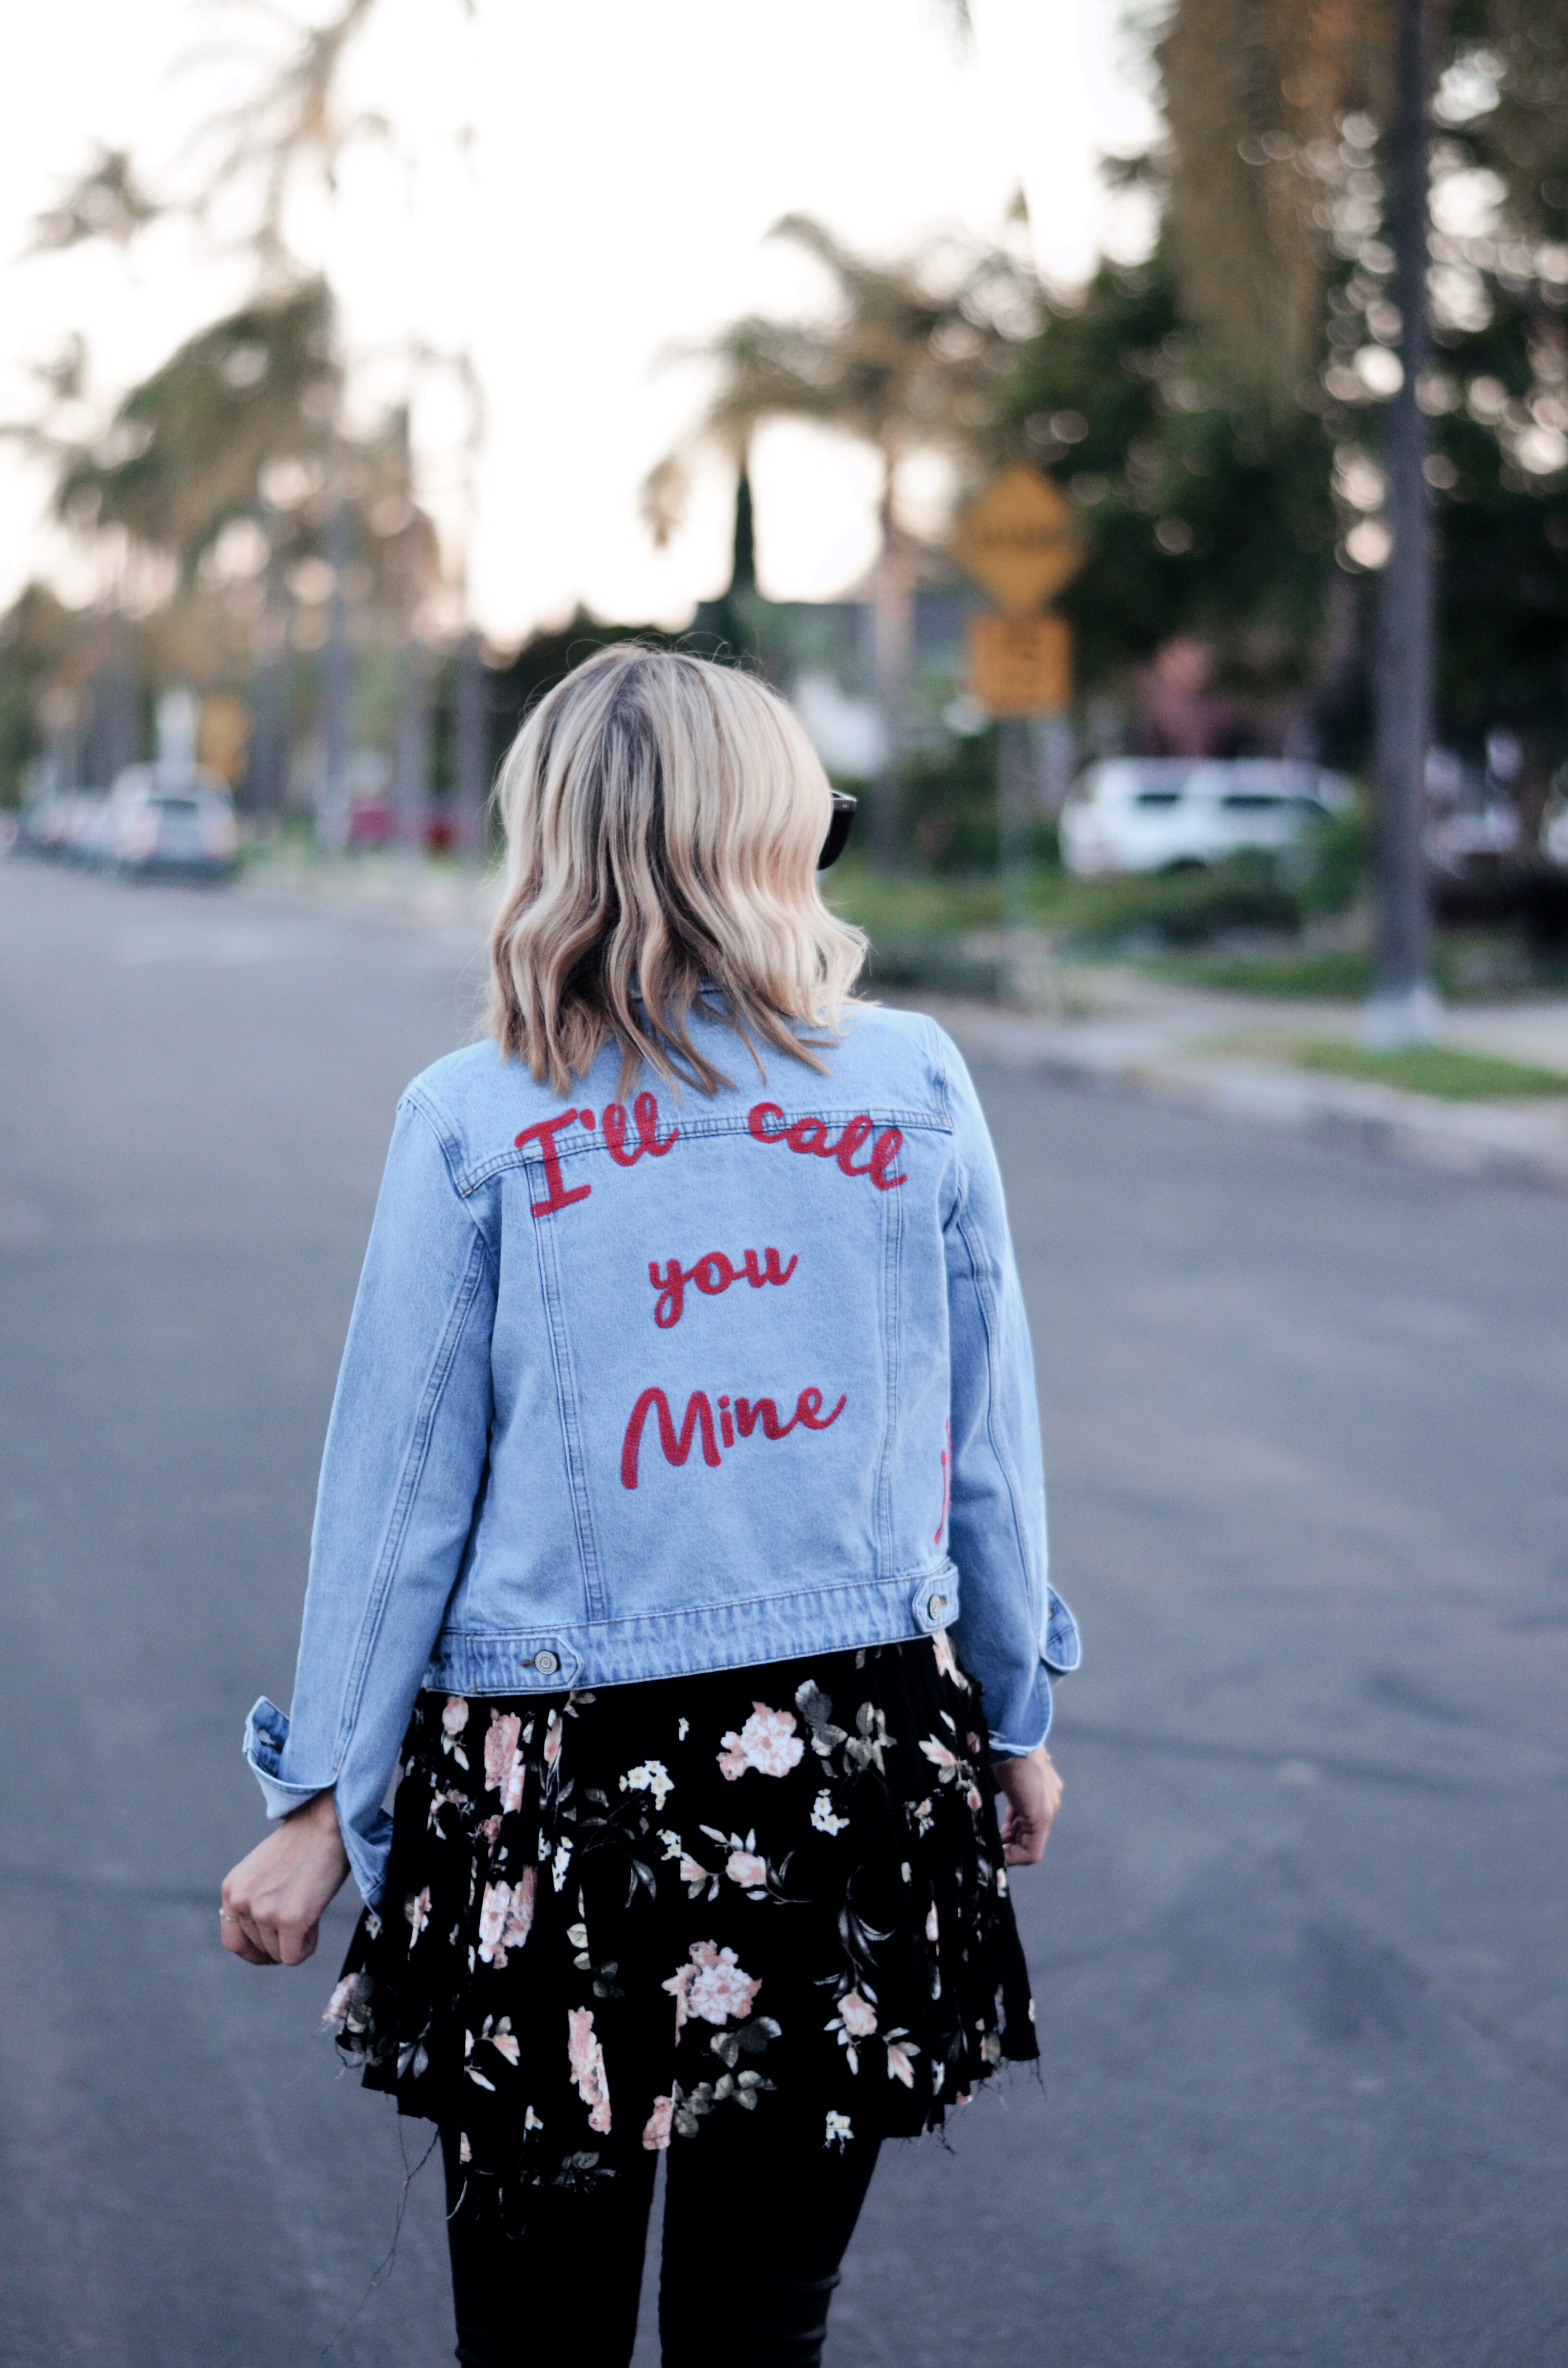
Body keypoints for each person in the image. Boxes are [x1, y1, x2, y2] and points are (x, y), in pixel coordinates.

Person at [220, 645, 1079, 2368]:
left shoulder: (476, 1117)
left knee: (534, 2334)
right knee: (762, 2330)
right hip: (847, 1775)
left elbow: (400, 1496)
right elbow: (981, 1451)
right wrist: (1016, 1710)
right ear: (774, 841)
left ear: (551, 845)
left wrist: (325, 1790)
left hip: (554, 1803)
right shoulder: (912, 1087)